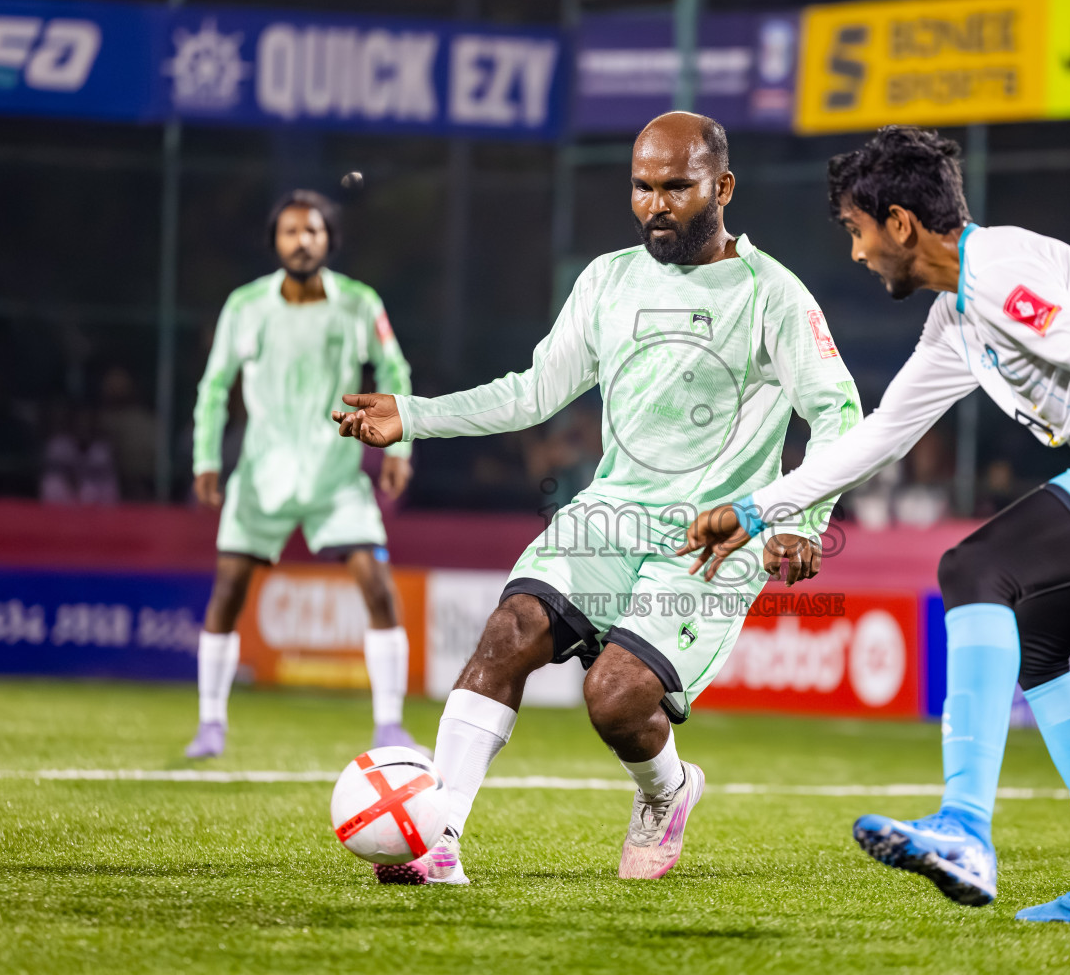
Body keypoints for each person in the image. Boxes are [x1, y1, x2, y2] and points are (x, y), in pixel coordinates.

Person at [679, 126, 1070, 926]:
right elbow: (883, 434)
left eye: (858, 231)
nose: (857, 254)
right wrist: (758, 508)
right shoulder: (957, 318)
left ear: (901, 224)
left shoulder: (999, 271)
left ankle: (964, 828)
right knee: (1038, 647)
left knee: (974, 570)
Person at [332, 112, 860, 886]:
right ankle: (436, 842)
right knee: (507, 633)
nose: (656, 205)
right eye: (642, 187)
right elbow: (532, 393)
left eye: (676, 187)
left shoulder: (771, 294)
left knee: (613, 698)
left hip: (711, 540)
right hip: (608, 517)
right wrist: (412, 414)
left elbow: (838, 411)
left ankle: (667, 791)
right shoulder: (608, 280)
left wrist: (803, 519)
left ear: (723, 187)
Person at [184, 190, 417, 759]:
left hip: (335, 476)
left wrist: (400, 447)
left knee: (378, 588)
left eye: (312, 230)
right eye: (290, 232)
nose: (302, 241)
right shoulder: (246, 305)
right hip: (260, 475)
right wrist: (206, 459)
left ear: (328, 240)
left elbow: (394, 369)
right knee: (228, 592)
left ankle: (389, 726)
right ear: (276, 242)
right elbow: (214, 386)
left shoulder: (359, 302)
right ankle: (210, 724)